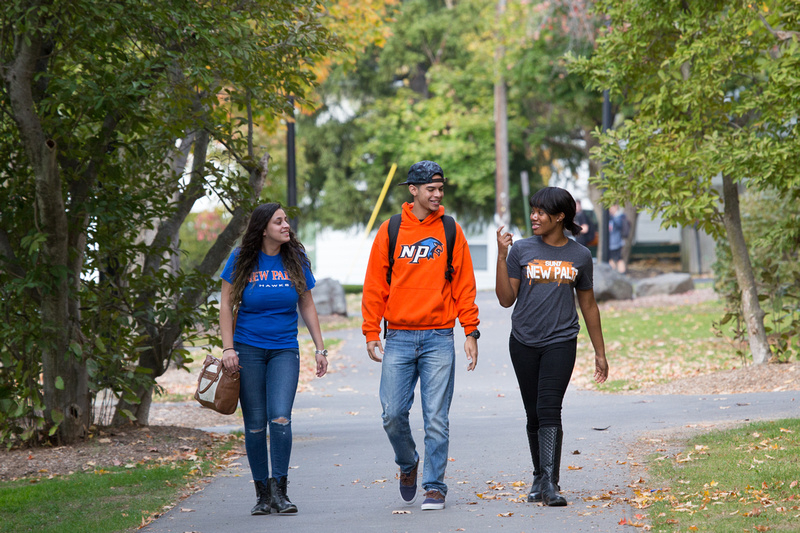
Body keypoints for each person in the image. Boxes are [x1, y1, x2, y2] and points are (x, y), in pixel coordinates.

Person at [362, 160, 480, 511]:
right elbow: (374, 286)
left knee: (436, 418)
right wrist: (371, 330)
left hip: (439, 338)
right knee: (392, 414)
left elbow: (464, 285)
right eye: (431, 189)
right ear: (412, 190)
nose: (437, 194)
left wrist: (470, 330)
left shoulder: (450, 230)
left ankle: (434, 486)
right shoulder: (391, 230)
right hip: (398, 336)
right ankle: (408, 461)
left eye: (440, 188)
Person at [495, 187, 608, 507]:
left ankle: (551, 483)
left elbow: (588, 305)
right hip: (523, 341)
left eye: (541, 212)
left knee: (548, 409)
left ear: (560, 217)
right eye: (532, 210)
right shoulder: (521, 251)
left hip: (561, 341)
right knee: (533, 413)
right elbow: (505, 300)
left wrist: (599, 352)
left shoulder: (579, 255)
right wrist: (502, 256)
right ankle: (538, 476)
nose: (534, 216)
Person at [219, 202, 328, 516]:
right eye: (279, 221)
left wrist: (319, 349)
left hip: (284, 349)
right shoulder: (241, 259)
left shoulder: (295, 259)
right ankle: (262, 495)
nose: (286, 226)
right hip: (247, 349)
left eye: (286, 221)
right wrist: (229, 349)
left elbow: (306, 304)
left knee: (280, 417)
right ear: (263, 227)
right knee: (254, 425)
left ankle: (281, 492)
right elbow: (226, 305)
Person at [608, 204, 628, 273]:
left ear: (616, 206)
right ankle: (615, 273)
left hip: (616, 243)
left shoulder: (619, 217)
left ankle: (621, 274)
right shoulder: (612, 217)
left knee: (619, 259)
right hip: (612, 243)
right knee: (611, 259)